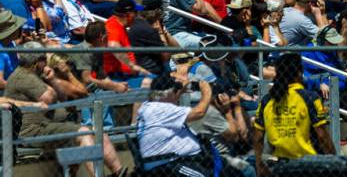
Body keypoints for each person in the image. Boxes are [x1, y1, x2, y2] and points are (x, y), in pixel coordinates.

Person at [4, 42, 125, 176]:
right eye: (44, 59)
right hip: (33, 131)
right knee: (83, 133)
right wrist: (50, 82)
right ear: (37, 62)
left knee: (99, 133)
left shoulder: (35, 75)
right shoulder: (24, 76)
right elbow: (49, 98)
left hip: (49, 126)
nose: (46, 62)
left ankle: (118, 173)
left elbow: (62, 98)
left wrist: (53, 79)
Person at [253, 53, 339, 177]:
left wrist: (259, 165)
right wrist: (334, 161)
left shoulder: (267, 100)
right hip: (309, 166)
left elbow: (257, 136)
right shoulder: (310, 98)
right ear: (299, 73)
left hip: (281, 166)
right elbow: (322, 136)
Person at [135, 72, 215, 176]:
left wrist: (180, 89)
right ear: (168, 93)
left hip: (178, 162)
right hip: (168, 166)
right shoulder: (159, 108)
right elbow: (199, 112)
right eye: (177, 91)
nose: (179, 95)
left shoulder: (150, 106)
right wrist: (207, 92)